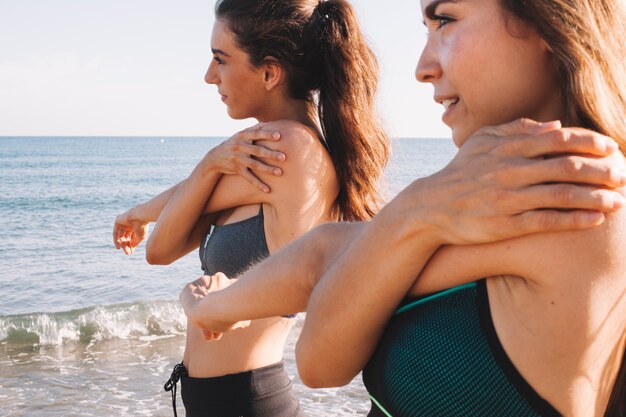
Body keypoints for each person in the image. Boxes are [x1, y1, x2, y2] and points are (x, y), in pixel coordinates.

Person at [180, 0, 626, 415]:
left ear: (549, 21)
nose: (422, 68)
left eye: (446, 20)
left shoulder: (583, 201)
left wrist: (417, 209)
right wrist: (419, 211)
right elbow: (321, 363)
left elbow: (319, 265)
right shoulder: (483, 193)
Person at [112, 0, 391, 416]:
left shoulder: (287, 149)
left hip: (245, 400)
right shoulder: (269, 150)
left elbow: (159, 250)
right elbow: (192, 203)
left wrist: (208, 164)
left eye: (220, 60)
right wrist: (144, 211)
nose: (210, 77)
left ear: (269, 72)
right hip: (232, 398)